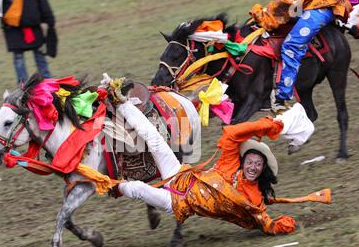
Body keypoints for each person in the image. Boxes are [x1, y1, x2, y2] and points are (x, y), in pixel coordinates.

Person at [111, 90, 329, 236]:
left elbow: (267, 224)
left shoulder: (254, 200)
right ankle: (118, 100)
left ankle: (104, 183)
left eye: (258, 165)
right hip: (181, 175)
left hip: (177, 202)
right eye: (250, 162)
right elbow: (233, 133)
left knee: (137, 188)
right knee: (155, 138)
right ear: (244, 162)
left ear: (263, 171)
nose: (253, 167)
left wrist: (283, 224)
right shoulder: (230, 162)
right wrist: (272, 124)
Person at [249, 0, 352, 111]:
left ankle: (282, 96)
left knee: (291, 45)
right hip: (307, 2)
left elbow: (292, 0)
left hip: (322, 4)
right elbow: (293, 3)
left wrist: (263, 15)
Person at [0, 0, 57, 84]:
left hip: (32, 24)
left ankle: (47, 81)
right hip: (13, 28)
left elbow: (41, 0)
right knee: (19, 58)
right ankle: (23, 86)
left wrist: (49, 19)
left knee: (39, 54)